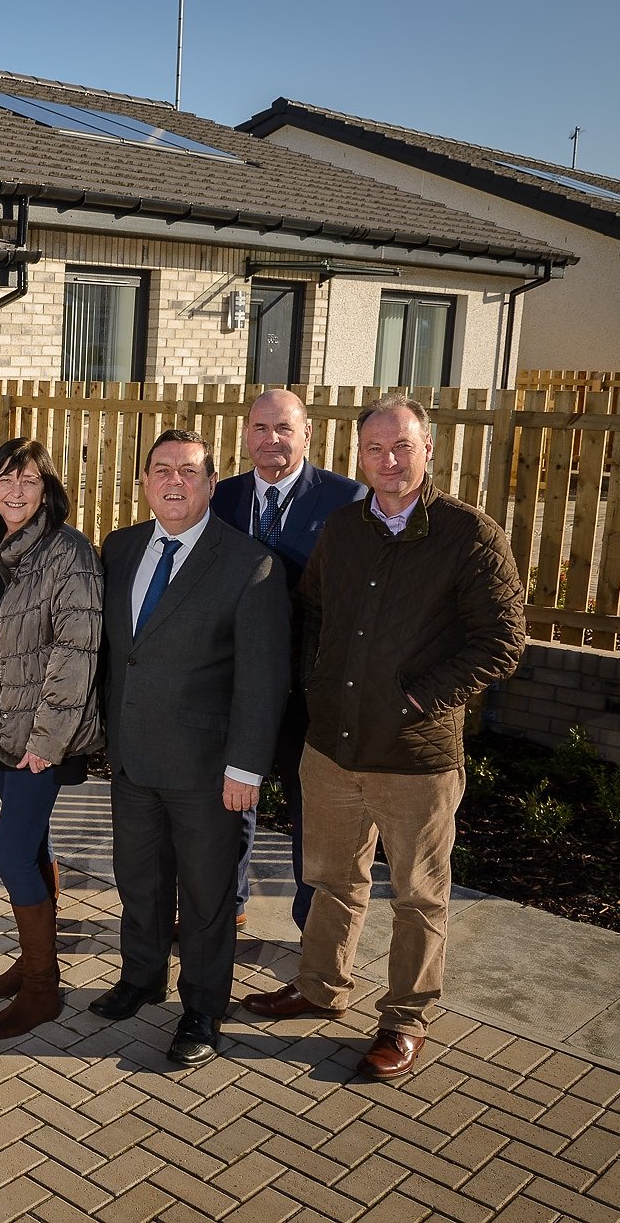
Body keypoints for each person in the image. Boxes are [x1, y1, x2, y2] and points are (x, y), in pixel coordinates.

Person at [242, 394, 525, 1081]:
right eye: (375, 449)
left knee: (417, 895)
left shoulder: (470, 535)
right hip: (332, 745)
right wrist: (312, 687)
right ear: (359, 456)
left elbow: (503, 639)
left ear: (430, 448)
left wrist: (421, 697)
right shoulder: (343, 527)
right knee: (331, 880)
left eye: (402, 446)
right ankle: (320, 987)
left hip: (413, 753)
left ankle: (405, 1019)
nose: (389, 460)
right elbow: (311, 614)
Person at [96, 429, 289, 1066]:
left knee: (206, 898)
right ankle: (141, 979)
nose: (173, 482)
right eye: (161, 470)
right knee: (139, 882)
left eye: (188, 471)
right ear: (144, 481)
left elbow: (262, 680)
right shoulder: (120, 549)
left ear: (211, 484)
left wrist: (245, 767)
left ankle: (203, 1008)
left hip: (208, 772)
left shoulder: (248, 563)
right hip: (132, 761)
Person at [209, 390, 366, 930]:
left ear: (307, 434)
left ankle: (311, 928)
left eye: (283, 428)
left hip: (309, 689)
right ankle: (226, 908)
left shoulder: (347, 500)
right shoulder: (221, 498)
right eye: (259, 428)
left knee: (310, 813)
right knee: (232, 800)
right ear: (245, 433)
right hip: (233, 684)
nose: (270, 440)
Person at [0, 439, 103, 1040]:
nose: (13, 492)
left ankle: (44, 989)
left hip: (36, 736)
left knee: (9, 854)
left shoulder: (67, 553)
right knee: (34, 846)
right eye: (4, 480)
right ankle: (31, 963)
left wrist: (48, 738)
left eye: (26, 480)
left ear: (46, 488)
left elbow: (76, 652)